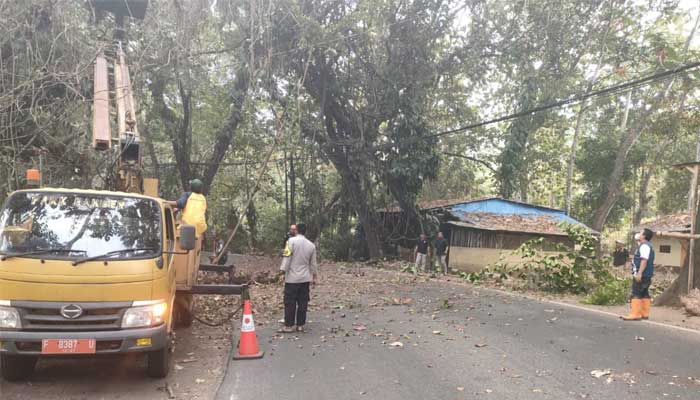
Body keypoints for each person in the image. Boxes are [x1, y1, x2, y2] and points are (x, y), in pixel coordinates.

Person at [279, 223, 318, 333]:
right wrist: (314, 276)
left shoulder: (290, 242)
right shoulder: (311, 245)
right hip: (305, 278)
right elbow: (313, 264)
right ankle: (300, 325)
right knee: (303, 302)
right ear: (305, 231)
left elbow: (287, 258)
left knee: (290, 302)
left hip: (292, 278)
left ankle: (289, 325)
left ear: (296, 231)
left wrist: (282, 272)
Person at [622, 228, 655, 321]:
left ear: (644, 236)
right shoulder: (646, 245)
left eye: (640, 233)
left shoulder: (644, 246)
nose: (638, 234)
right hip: (647, 274)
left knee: (636, 292)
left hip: (642, 274)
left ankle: (635, 314)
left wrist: (639, 273)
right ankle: (644, 313)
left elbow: (644, 260)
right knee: (644, 293)